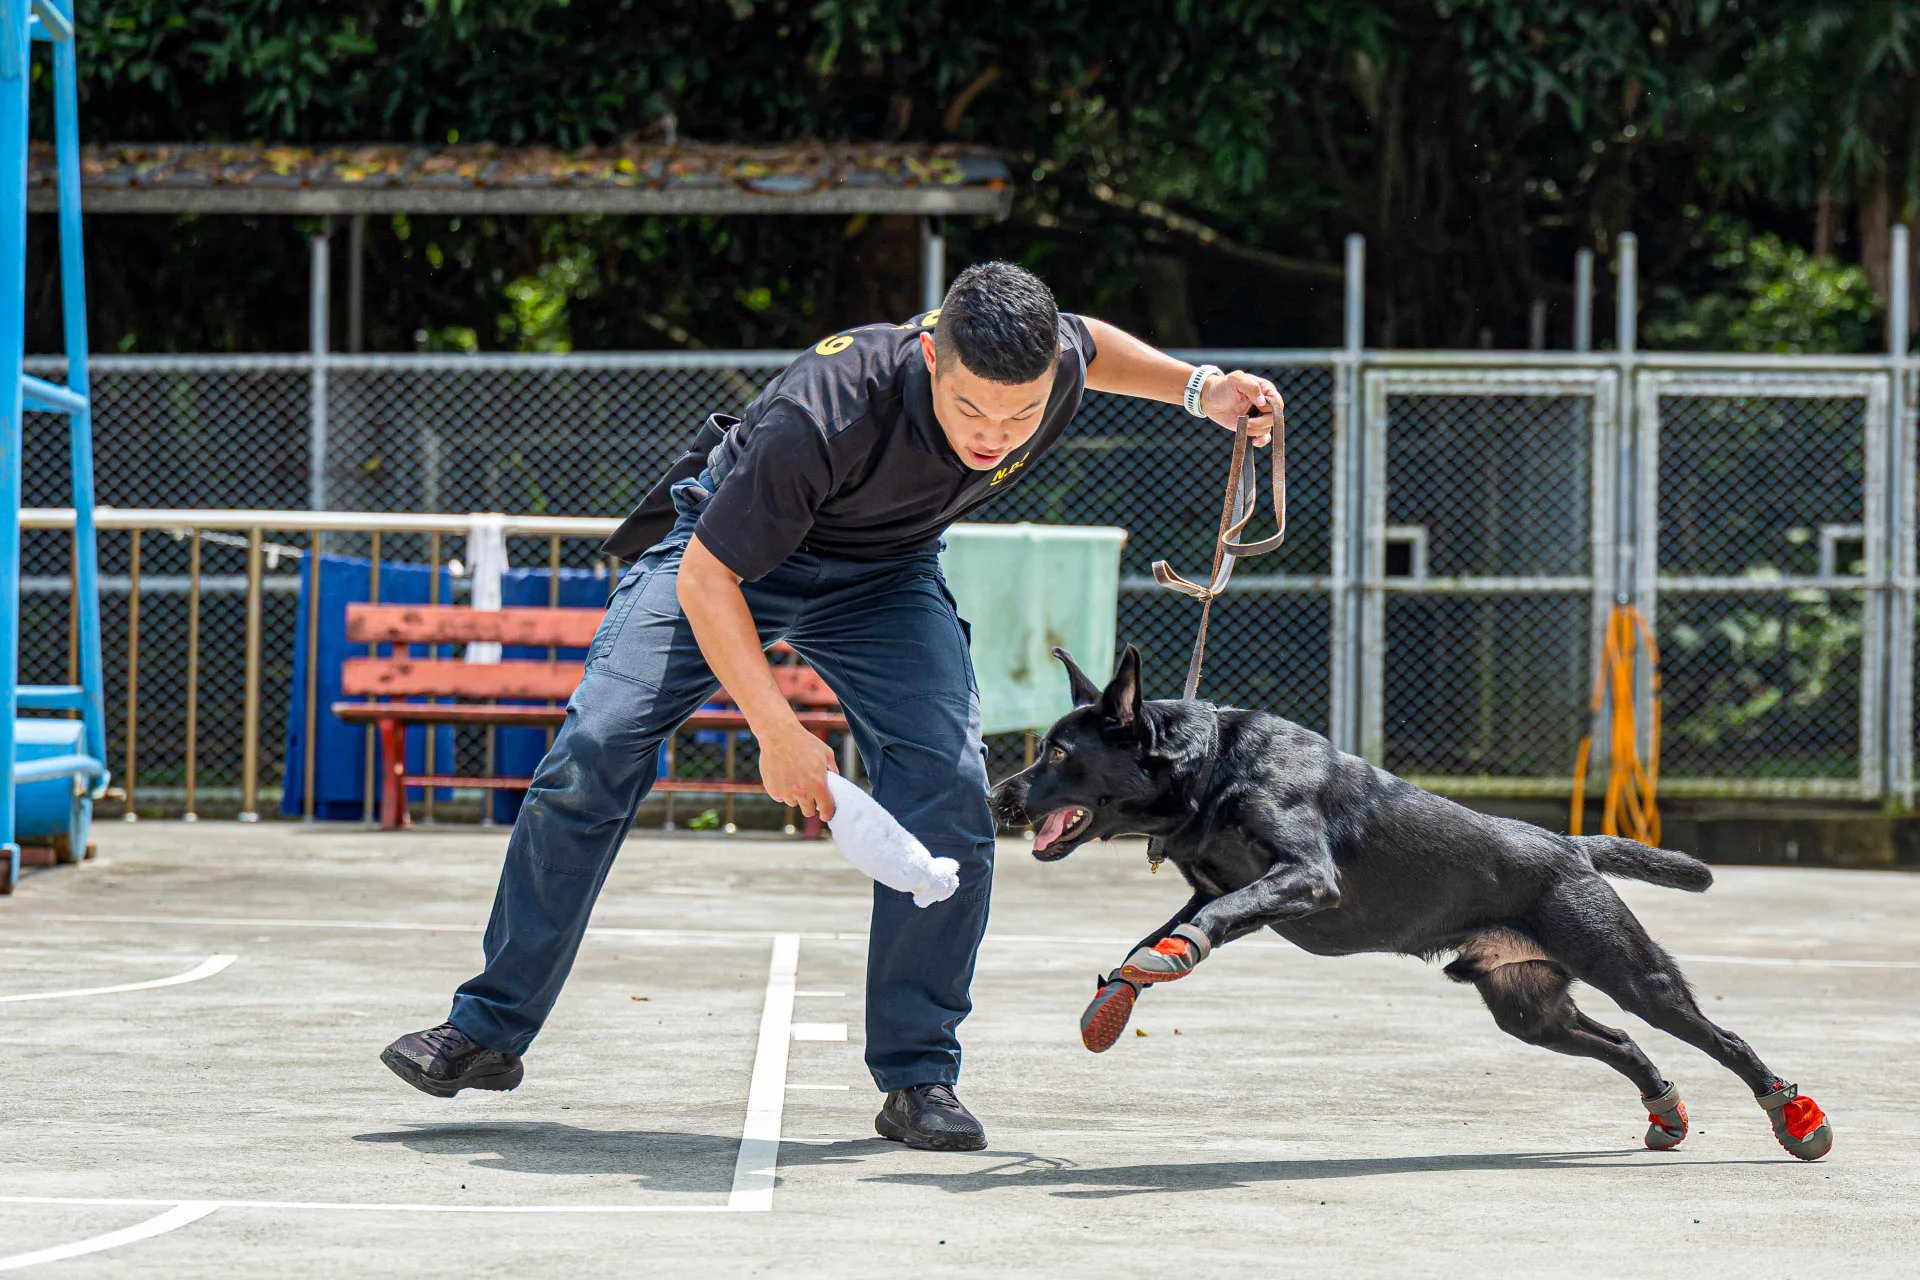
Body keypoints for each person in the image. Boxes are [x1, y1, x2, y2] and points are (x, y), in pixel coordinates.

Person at [380, 261, 1281, 1151]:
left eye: (1021, 414)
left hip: (885, 580)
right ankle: (489, 1030)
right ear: (931, 354)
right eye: (971, 409)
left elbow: (1091, 340)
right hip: (730, 558)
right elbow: (706, 578)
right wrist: (778, 730)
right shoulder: (827, 407)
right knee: (599, 746)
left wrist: (1200, 388)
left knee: (950, 787)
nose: (995, 436)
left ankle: (920, 1073)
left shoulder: (1051, 362)